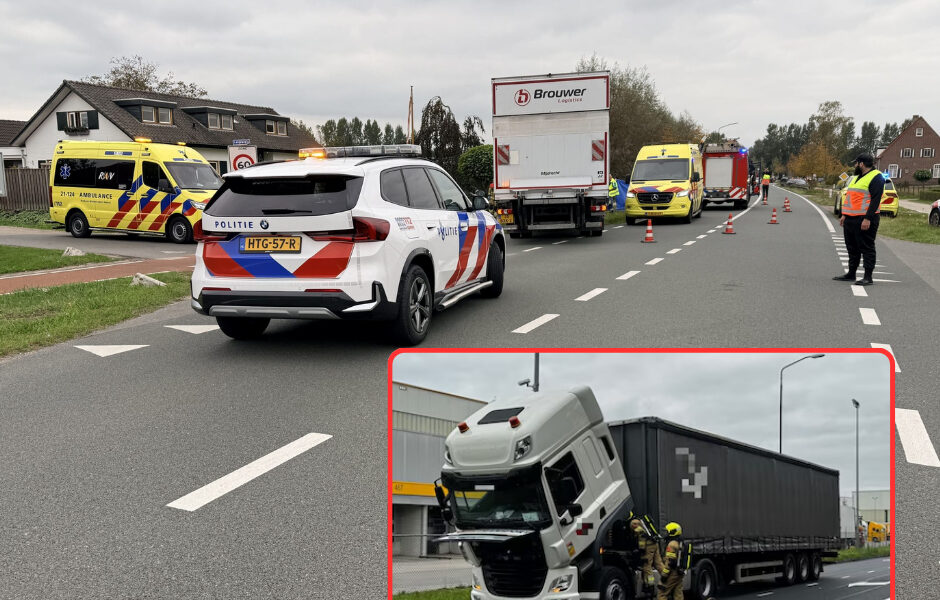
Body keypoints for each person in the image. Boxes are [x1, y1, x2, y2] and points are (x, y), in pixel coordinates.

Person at [832, 153, 884, 286]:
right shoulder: (856, 178)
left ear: (861, 164)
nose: (855, 165)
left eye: (856, 163)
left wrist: (868, 219)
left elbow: (875, 200)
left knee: (867, 247)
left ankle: (868, 277)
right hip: (850, 218)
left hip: (864, 219)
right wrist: (844, 214)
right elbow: (850, 198)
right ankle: (851, 273)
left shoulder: (876, 177)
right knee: (852, 248)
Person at [630, 517, 664, 593]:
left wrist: (641, 550)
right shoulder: (644, 525)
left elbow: (641, 539)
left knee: (646, 566)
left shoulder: (638, 529)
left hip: (648, 547)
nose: (634, 525)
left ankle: (650, 585)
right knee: (659, 563)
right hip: (655, 544)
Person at [658, 522, 686, 600]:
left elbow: (670, 562)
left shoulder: (671, 544)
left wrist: (664, 575)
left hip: (672, 573)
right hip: (679, 572)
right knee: (678, 594)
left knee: (662, 593)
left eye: (668, 531)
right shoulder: (680, 542)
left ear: (672, 532)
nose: (666, 533)